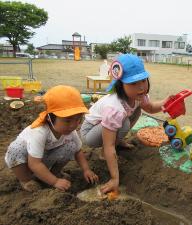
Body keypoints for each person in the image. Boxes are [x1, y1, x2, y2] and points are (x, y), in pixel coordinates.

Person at [80, 54, 172, 194]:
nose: (141, 87)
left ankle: (119, 139)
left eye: (143, 80)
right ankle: (103, 154)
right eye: (133, 83)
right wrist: (114, 179)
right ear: (120, 86)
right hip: (90, 132)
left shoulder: (138, 96)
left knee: (134, 113)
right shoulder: (114, 107)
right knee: (123, 124)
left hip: (105, 127)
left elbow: (152, 108)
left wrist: (166, 102)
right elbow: (110, 145)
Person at [5, 85, 99, 192]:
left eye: (78, 119)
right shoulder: (39, 132)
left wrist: (86, 170)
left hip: (42, 158)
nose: (73, 125)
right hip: (25, 160)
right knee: (15, 149)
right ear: (50, 118)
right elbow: (34, 164)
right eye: (67, 120)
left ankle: (53, 174)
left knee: (71, 146)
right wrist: (55, 182)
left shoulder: (70, 131)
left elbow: (78, 152)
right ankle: (26, 180)